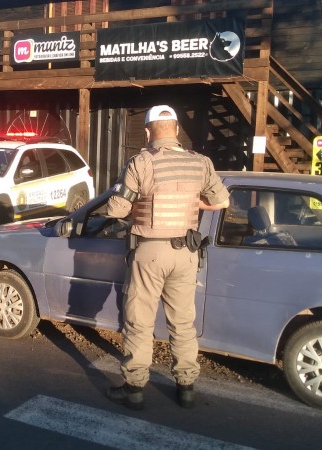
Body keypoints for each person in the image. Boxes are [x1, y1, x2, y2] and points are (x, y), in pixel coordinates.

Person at [105, 105, 230, 410]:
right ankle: (186, 387)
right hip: (186, 252)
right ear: (175, 129)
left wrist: (140, 203)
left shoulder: (141, 162)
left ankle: (134, 389)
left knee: (139, 321)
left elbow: (116, 210)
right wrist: (191, 202)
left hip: (150, 252)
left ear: (147, 131)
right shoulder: (200, 163)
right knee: (183, 322)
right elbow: (222, 200)